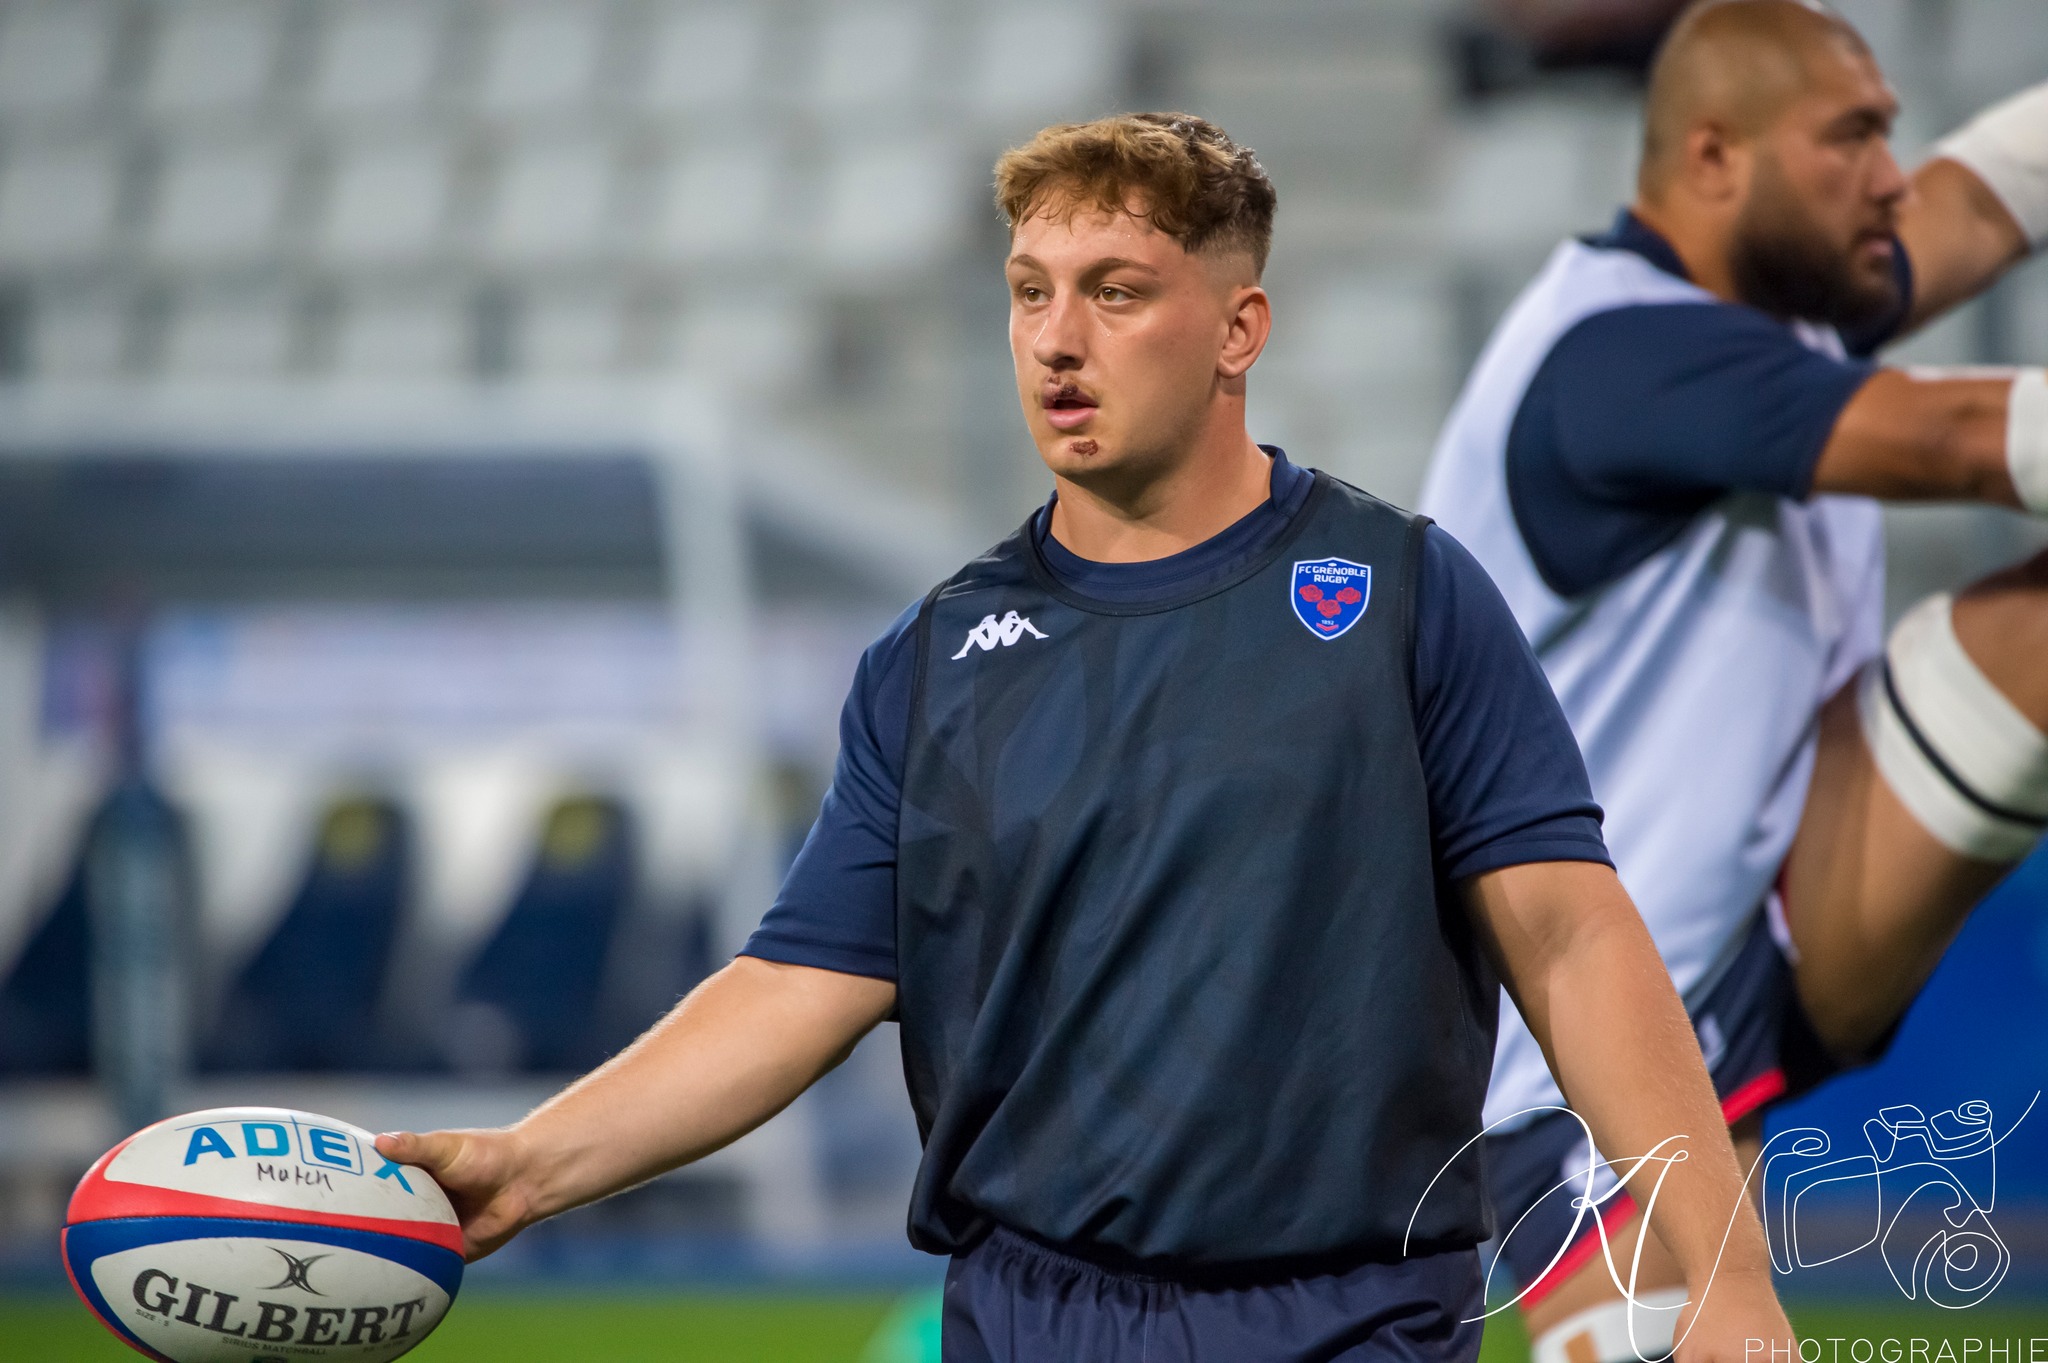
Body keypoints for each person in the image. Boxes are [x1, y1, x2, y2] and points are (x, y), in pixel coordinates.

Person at [378, 113, 1794, 1363]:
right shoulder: (934, 661)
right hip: (1029, 1318)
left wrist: (1729, 1280)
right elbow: (795, 987)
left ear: (1240, 328)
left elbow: (1575, 943)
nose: (1059, 338)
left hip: (1349, 1315)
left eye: (1118, 295)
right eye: (1030, 294)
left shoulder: (1403, 600)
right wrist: (528, 1164)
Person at [1417, 3, 2048, 1360]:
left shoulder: (1776, 309)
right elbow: (1948, 437)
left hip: (1761, 909)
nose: (1891, 173)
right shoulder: (1618, 356)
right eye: (1852, 138)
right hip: (1570, 1043)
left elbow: (1991, 199)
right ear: (1714, 160)